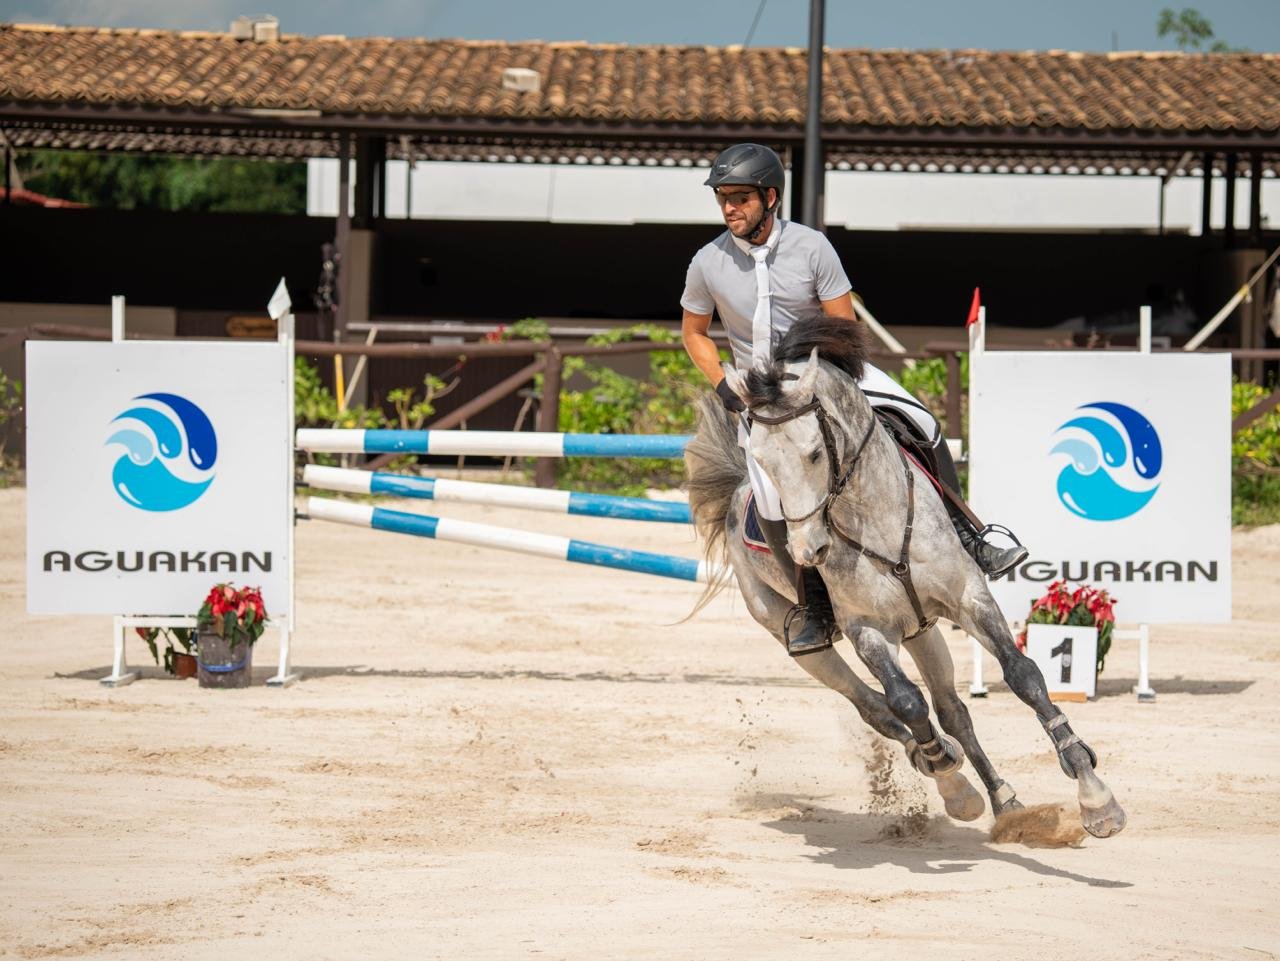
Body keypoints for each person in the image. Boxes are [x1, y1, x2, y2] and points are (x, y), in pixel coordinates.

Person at [680, 142, 1027, 656]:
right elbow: (694, 333)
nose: (729, 207)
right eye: (722, 198)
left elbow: (843, 324)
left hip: (831, 374)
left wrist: (826, 381)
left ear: (770, 197)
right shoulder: (707, 262)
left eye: (739, 197)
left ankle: (969, 536)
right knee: (772, 495)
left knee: (924, 424)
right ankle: (815, 603)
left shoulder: (813, 248)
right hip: (763, 398)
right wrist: (721, 382)